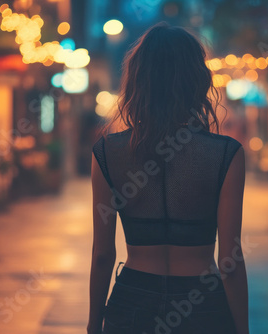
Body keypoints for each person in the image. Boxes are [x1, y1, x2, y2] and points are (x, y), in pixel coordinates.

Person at [88, 22, 248, 334]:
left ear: (137, 82)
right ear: (197, 80)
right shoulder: (226, 155)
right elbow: (230, 262)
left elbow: (103, 254)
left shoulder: (108, 152)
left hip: (132, 299)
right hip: (201, 301)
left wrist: (94, 325)